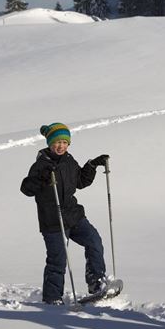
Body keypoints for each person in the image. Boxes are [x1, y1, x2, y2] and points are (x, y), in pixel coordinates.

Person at [20, 123, 110, 305]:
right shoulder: (40, 165)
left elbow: (80, 181)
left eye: (64, 142)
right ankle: (52, 298)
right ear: (49, 143)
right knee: (58, 260)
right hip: (53, 221)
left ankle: (96, 282)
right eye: (57, 142)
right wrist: (41, 178)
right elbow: (26, 188)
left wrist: (92, 165)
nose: (60, 146)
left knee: (94, 241)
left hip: (74, 215)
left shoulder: (69, 161)